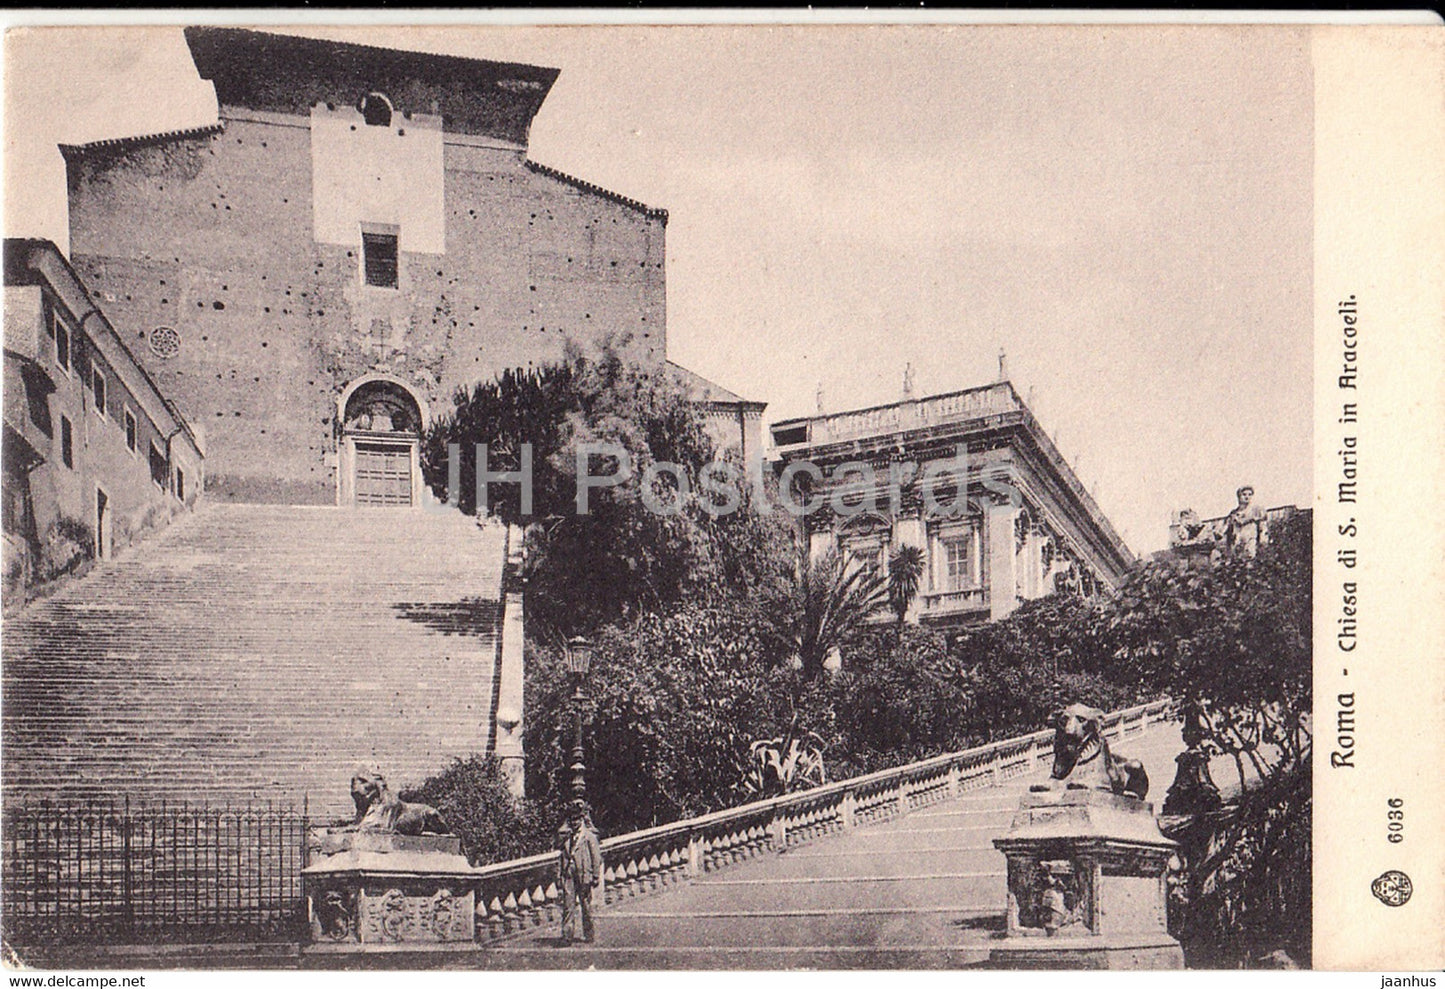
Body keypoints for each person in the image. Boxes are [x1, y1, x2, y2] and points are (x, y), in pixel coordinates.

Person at [556, 799, 602, 944]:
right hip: (569, 875)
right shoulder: (568, 838)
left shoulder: (589, 837)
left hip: (584, 876)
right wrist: (560, 875)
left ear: (582, 819)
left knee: (586, 906)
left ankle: (589, 933)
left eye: (577, 820)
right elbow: (562, 857)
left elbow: (596, 857)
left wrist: (595, 876)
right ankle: (567, 936)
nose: (574, 823)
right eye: (572, 820)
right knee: (568, 906)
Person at [1225, 485, 1267, 559]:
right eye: (1244, 494)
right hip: (1237, 543)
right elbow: (1227, 530)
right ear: (1239, 496)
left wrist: (1262, 542)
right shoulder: (1234, 513)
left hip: (1250, 542)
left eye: (1250, 494)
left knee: (1249, 561)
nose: (1247, 497)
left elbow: (1262, 528)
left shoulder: (1256, 510)